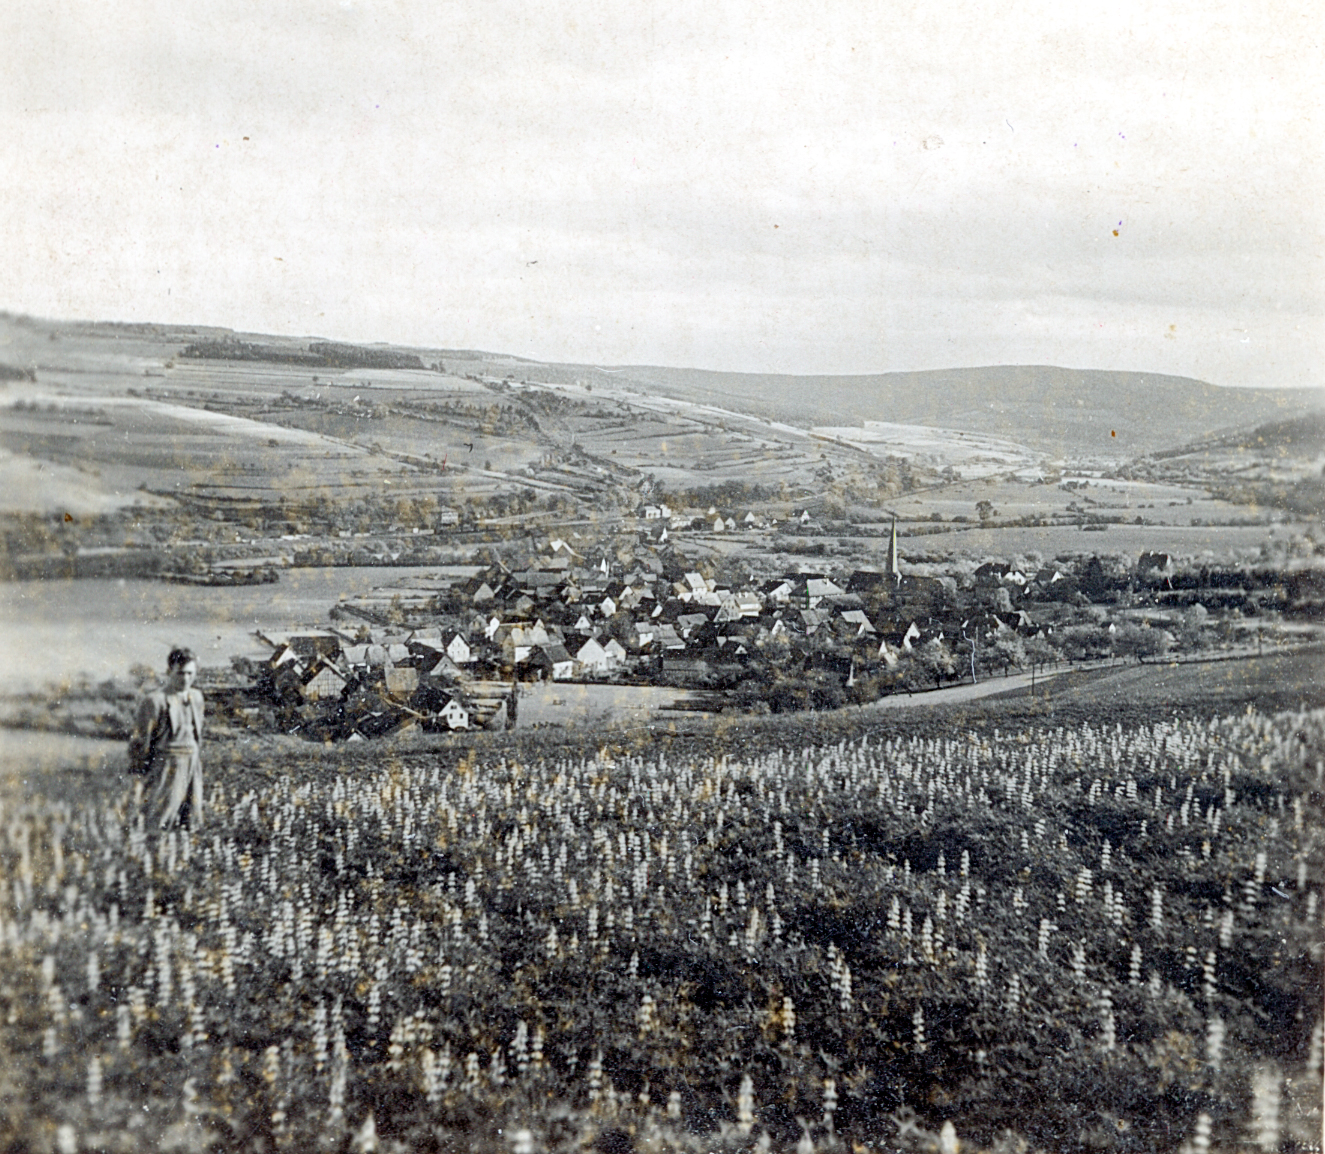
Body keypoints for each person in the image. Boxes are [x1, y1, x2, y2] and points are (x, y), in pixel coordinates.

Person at [128, 647, 205, 830]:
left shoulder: (197, 697)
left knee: (191, 819)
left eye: (190, 673)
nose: (185, 678)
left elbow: (198, 733)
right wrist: (140, 773)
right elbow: (140, 740)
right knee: (159, 817)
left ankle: (183, 855)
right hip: (167, 765)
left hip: (193, 765)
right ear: (170, 671)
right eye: (180, 673)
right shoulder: (155, 700)